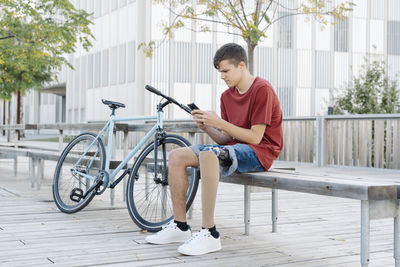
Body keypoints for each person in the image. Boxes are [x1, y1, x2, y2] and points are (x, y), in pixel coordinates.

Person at [145, 43, 283, 256]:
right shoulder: (227, 96)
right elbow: (226, 138)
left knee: (210, 154)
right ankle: (180, 226)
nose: (222, 77)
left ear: (242, 65)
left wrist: (218, 121)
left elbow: (255, 137)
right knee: (176, 156)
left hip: (261, 152)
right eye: (220, 72)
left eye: (226, 71)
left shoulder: (262, 89)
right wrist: (208, 127)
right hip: (233, 148)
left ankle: (209, 233)